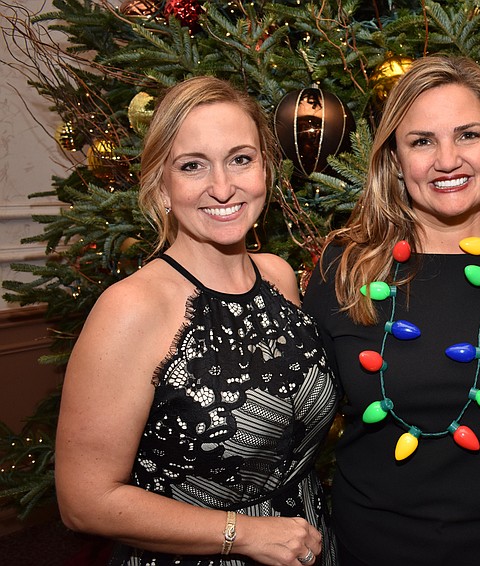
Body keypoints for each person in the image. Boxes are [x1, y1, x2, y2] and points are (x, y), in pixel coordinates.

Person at [55, 76, 339, 566]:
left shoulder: (277, 276)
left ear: (265, 171)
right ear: (161, 187)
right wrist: (244, 534)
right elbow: (84, 502)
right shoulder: (132, 308)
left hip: (309, 544)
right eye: (192, 166)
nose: (223, 187)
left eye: (241, 159)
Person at [302, 55, 480, 565]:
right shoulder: (345, 271)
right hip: (373, 548)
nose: (448, 160)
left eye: (468, 135)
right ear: (394, 159)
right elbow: (295, 422)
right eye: (422, 141)